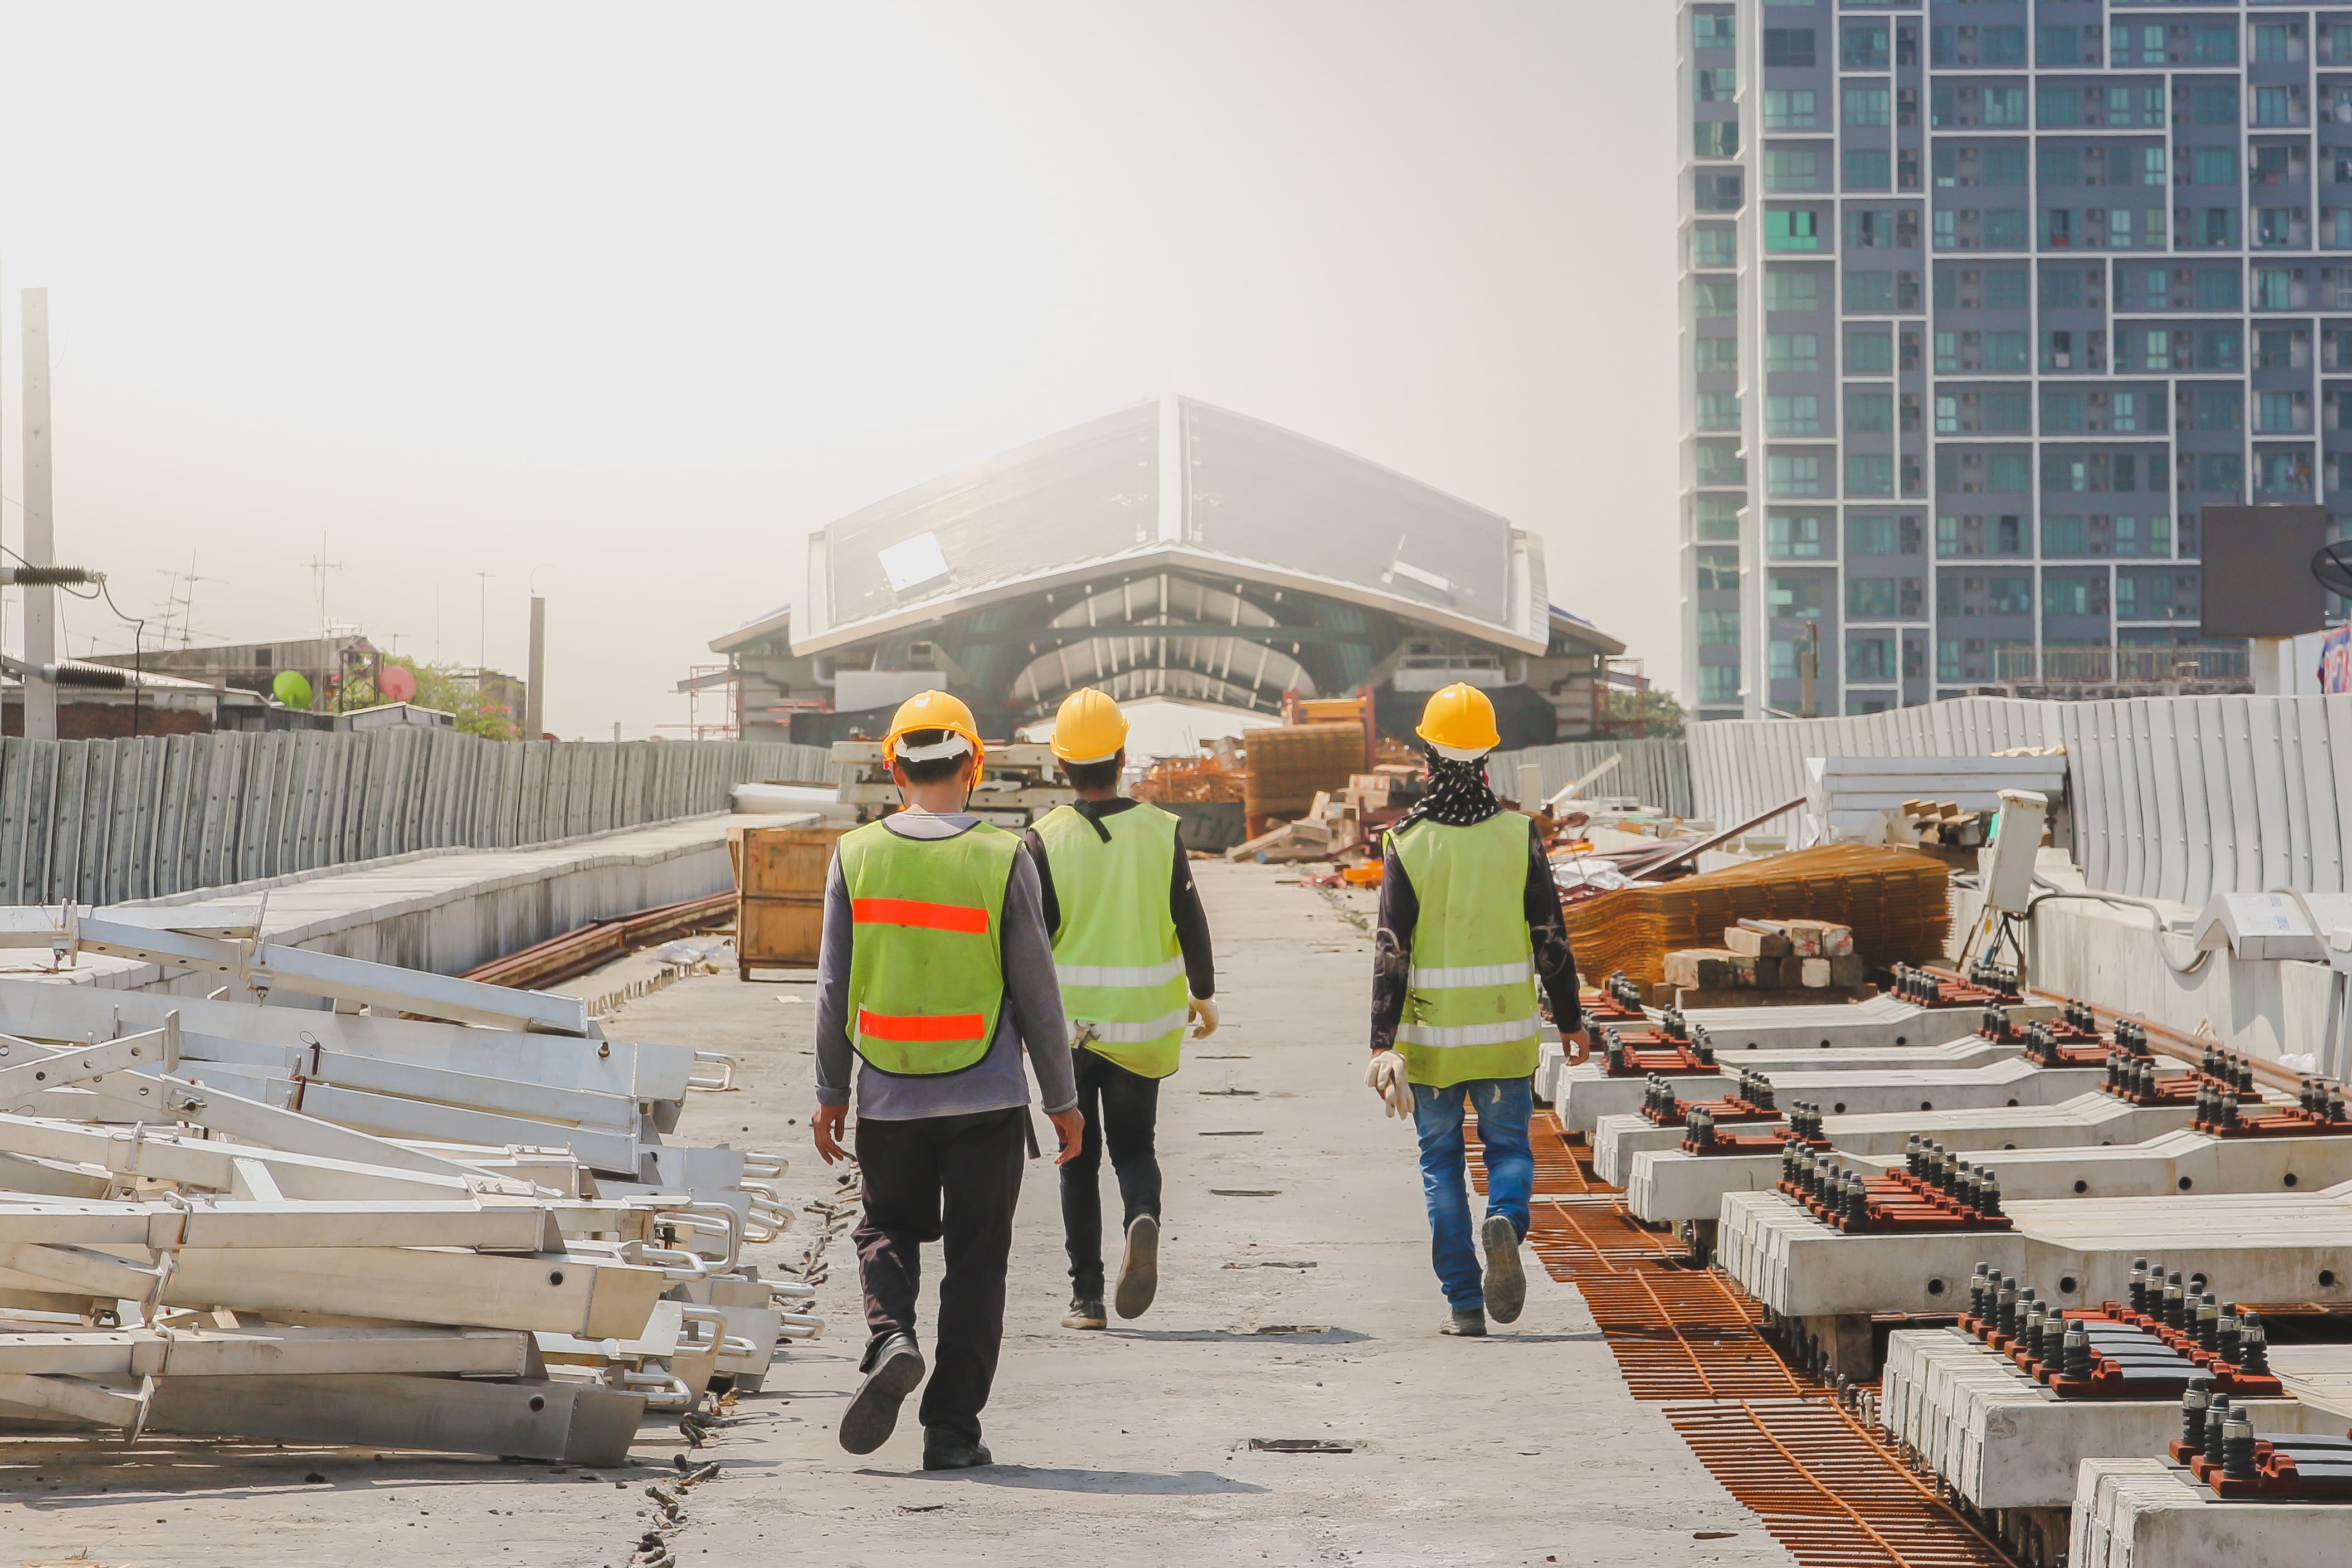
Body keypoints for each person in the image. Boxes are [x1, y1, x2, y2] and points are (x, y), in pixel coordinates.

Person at [811, 690, 1085, 1470]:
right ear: (975, 764)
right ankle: (952, 1432)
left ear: (892, 764)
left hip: (890, 1094)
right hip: (988, 1100)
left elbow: (834, 986)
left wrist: (831, 1089)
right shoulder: (1005, 854)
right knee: (976, 1262)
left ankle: (891, 1334)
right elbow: (1038, 989)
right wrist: (1062, 1102)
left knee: (884, 1227)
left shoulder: (855, 853)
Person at [1365, 683, 1594, 1337]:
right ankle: (1507, 1219)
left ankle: (1465, 1305)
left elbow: (1390, 951)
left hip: (1430, 1044)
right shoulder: (1519, 835)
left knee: (1440, 1167)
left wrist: (1380, 1043)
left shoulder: (1406, 842)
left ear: (1429, 756)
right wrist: (1572, 1020)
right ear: (1488, 755)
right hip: (1504, 1039)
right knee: (1509, 1150)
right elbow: (1551, 936)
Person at [1023, 688, 1219, 1331]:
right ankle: (1143, 1216)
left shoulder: (1042, 841)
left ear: (1061, 765)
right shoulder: (1161, 832)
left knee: (1077, 1158)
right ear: (1122, 755)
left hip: (1069, 1034)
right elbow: (1190, 921)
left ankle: (1087, 1299)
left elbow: (1031, 938)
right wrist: (1205, 992)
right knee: (1136, 1147)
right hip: (1144, 1028)